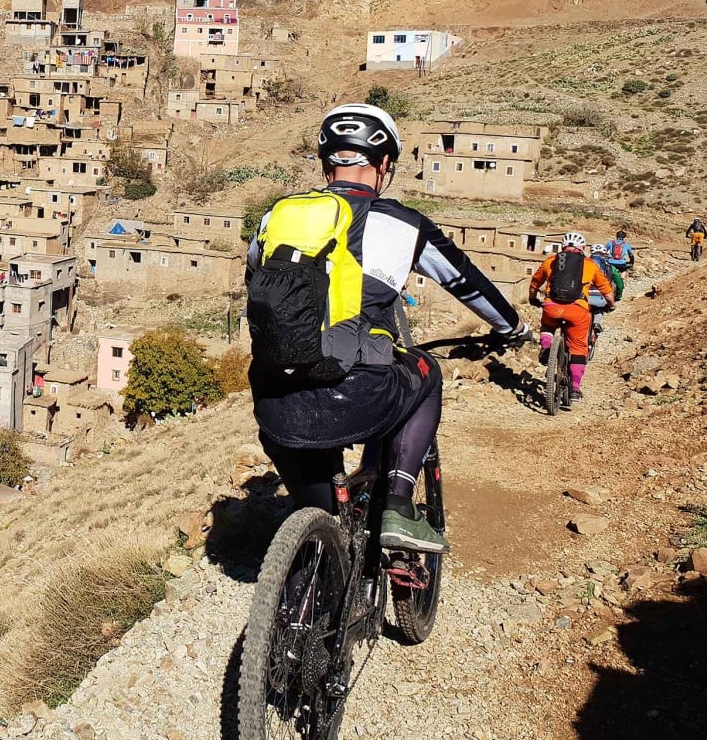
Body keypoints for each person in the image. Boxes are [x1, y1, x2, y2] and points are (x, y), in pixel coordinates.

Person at [246, 104, 530, 554]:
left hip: (278, 404)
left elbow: (258, 286)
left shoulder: (276, 218)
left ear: (327, 163)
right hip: (362, 392)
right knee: (427, 373)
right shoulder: (405, 223)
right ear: (384, 166)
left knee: (323, 530)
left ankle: (309, 572)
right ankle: (398, 501)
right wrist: (511, 327)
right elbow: (466, 283)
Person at [529, 233, 615, 403]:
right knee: (578, 347)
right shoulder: (590, 265)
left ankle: (546, 347)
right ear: (582, 248)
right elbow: (606, 289)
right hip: (577, 310)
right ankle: (575, 388)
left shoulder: (550, 261)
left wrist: (533, 298)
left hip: (552, 307)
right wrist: (611, 304)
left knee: (547, 326)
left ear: (562, 247)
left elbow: (535, 281)